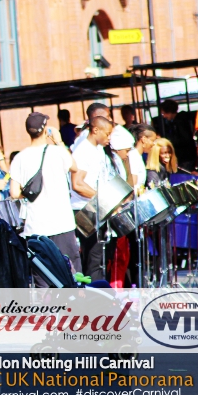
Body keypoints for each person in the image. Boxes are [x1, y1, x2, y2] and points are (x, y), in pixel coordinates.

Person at [9, 113, 82, 284]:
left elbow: (14, 193)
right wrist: (58, 141)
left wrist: (30, 193)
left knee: (42, 275)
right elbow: (74, 167)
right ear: (45, 131)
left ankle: (48, 309)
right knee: (71, 273)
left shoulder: (19, 157)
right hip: (62, 223)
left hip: (36, 226)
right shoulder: (57, 152)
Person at [70, 116, 123, 280]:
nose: (109, 138)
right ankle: (95, 299)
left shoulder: (96, 150)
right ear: (95, 130)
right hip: (85, 209)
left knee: (100, 258)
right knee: (93, 260)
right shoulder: (83, 151)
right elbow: (77, 184)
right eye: (107, 134)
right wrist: (105, 200)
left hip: (97, 208)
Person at [152, 99, 196, 169]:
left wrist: (167, 140)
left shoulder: (180, 122)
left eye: (164, 113)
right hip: (187, 155)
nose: (164, 116)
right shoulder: (179, 121)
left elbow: (183, 139)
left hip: (185, 156)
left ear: (169, 111)